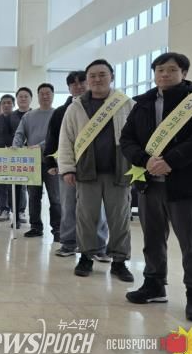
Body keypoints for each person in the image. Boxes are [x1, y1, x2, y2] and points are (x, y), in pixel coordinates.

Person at [120, 52, 192, 322]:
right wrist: (145, 160)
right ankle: (154, 285)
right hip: (149, 183)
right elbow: (126, 139)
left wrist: (170, 160)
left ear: (183, 73)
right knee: (152, 239)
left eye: (172, 70)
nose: (165, 74)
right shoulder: (143, 103)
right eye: (160, 70)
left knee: (191, 243)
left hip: (186, 184)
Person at [58, 59, 135, 282]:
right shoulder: (76, 107)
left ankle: (119, 261)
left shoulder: (126, 104)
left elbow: (138, 137)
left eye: (102, 74)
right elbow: (66, 140)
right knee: (86, 217)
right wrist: (67, 168)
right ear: (87, 80)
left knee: (119, 218)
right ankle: (86, 257)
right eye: (92, 76)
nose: (97, 79)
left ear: (112, 77)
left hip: (119, 171)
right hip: (86, 172)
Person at [44, 71, 109, 259]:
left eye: (82, 82)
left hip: (97, 166)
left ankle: (99, 246)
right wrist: (50, 162)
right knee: (68, 205)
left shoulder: (104, 108)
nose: (78, 86)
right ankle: (68, 242)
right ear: (69, 88)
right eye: (74, 84)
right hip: (68, 166)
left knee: (98, 208)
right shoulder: (61, 111)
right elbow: (52, 138)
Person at [13, 83, 61, 239]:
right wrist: (15, 147)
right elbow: (20, 134)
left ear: (53, 95)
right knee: (34, 196)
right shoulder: (29, 116)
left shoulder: (59, 114)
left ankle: (58, 229)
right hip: (32, 163)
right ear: (37, 96)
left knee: (55, 198)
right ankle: (35, 227)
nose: (45, 96)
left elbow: (58, 137)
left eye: (48, 93)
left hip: (52, 162)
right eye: (42, 93)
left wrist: (40, 146)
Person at [12, 87, 32, 225]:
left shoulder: (34, 114)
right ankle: (16, 214)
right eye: (20, 96)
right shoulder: (10, 116)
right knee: (16, 186)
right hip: (13, 155)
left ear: (31, 99)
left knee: (31, 188)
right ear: (17, 99)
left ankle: (23, 211)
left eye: (26, 96)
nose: (23, 99)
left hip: (32, 156)